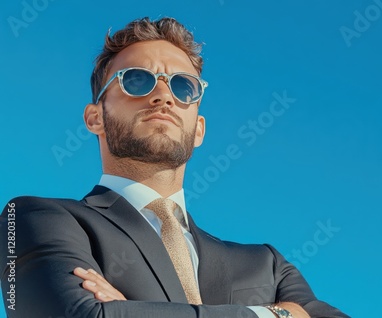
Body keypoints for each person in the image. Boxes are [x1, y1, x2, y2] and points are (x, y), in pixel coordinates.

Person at [0, 17, 349, 318]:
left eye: (184, 87)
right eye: (137, 80)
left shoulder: (265, 265)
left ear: (198, 129)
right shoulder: (33, 219)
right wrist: (272, 313)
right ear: (95, 118)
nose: (164, 96)